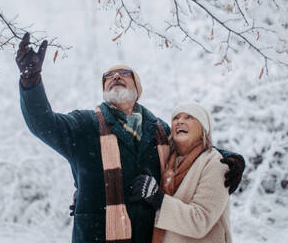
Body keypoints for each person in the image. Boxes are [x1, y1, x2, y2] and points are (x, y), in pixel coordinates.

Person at [15, 33, 244, 243]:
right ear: (104, 88)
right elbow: (43, 123)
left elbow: (189, 145)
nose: (115, 77)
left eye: (124, 74)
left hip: (146, 236)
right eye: (108, 76)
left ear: (137, 88)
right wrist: (31, 81)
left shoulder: (159, 130)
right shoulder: (84, 125)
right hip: (97, 236)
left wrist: (228, 158)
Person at [130, 103, 232, 243]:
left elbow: (200, 221)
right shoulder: (168, 162)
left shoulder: (215, 163)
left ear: (203, 127)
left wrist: (158, 199)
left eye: (189, 117)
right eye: (176, 118)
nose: (180, 121)